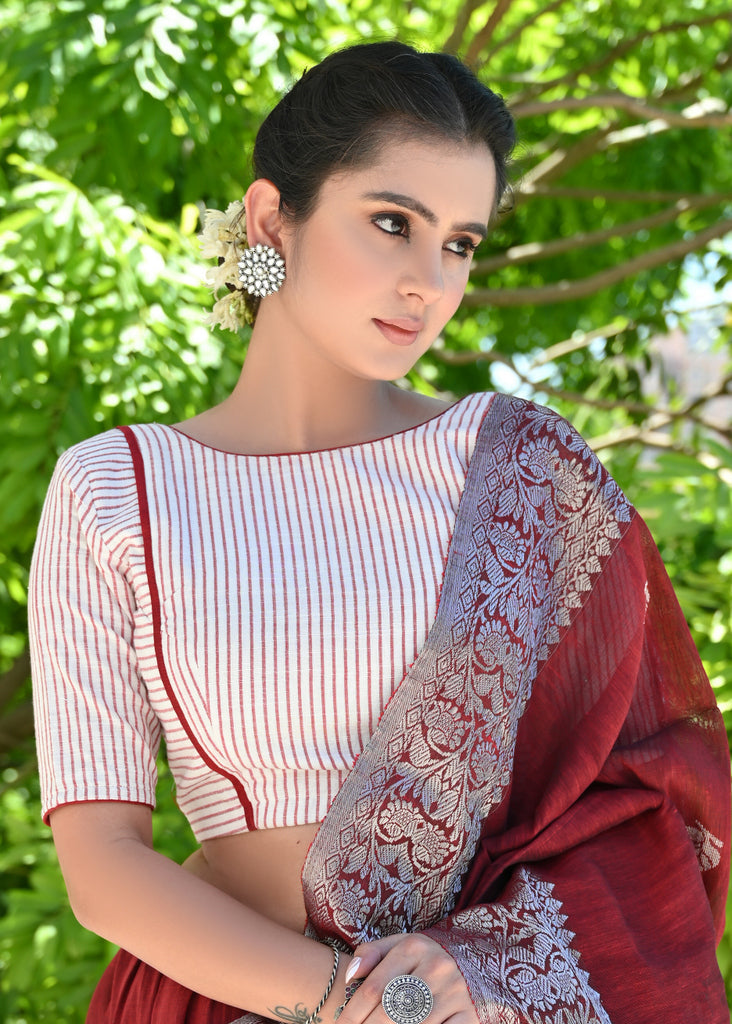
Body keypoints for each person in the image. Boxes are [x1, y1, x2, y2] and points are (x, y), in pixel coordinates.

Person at [28, 40, 730, 1024]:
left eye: (460, 242)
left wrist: (460, 982)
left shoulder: (521, 469)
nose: (427, 281)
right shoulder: (119, 490)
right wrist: (357, 1003)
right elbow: (102, 867)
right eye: (392, 222)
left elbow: (643, 798)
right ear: (275, 217)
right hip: (226, 1002)